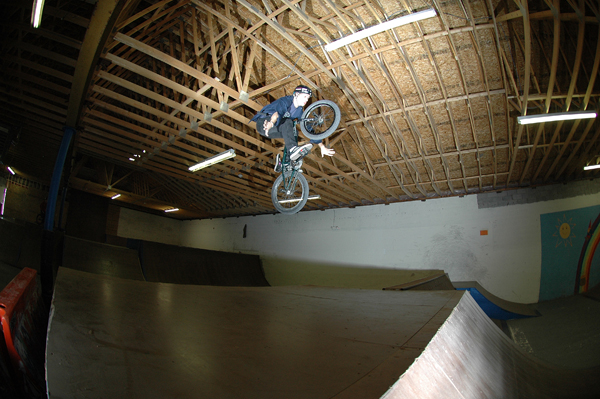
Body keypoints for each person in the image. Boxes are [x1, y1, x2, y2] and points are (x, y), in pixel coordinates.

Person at [251, 85, 335, 172]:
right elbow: (277, 113)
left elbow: (309, 128)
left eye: (308, 98)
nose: (306, 100)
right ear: (296, 94)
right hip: (264, 124)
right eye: (304, 96)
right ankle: (293, 149)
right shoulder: (286, 101)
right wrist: (271, 123)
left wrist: (322, 146)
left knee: (294, 131)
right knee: (288, 122)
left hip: (275, 129)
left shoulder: (299, 111)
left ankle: (286, 162)